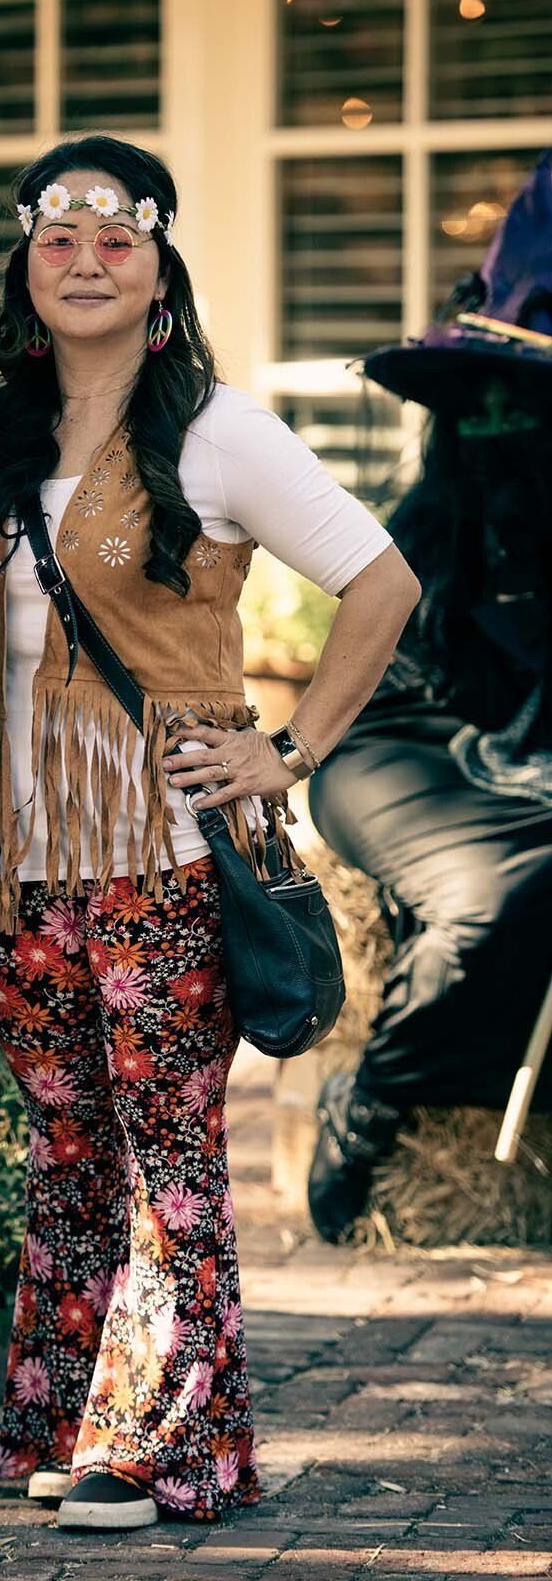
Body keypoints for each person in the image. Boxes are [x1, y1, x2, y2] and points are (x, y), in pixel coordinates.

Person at [0, 136, 420, 1531]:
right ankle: (60, 1417)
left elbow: (381, 582)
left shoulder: (214, 427)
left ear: (160, 270)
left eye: (118, 237)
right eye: (57, 237)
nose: (86, 259)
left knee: (166, 1148)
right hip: (14, 862)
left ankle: (159, 1448)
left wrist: (289, 747)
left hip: (162, 851)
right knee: (66, 1146)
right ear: (24, 269)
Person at [307, 150, 552, 1244]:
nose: (495, 417)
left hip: (524, 760)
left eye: (521, 396)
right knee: (495, 888)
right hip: (392, 739)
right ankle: (373, 1103)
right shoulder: (432, 520)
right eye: (479, 396)